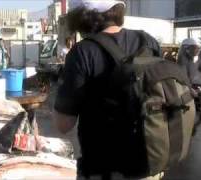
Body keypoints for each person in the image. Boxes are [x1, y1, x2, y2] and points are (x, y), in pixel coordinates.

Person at [53, 0, 162, 179]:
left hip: (105, 170)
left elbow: (64, 124)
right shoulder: (148, 41)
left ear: (82, 16)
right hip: (150, 166)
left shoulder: (83, 52)